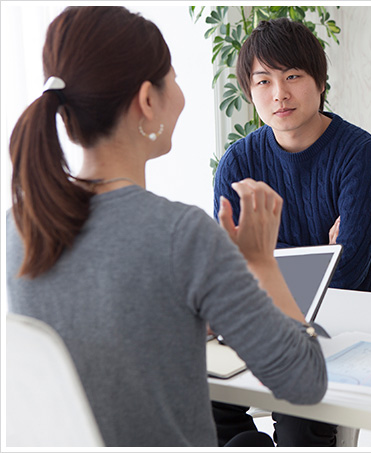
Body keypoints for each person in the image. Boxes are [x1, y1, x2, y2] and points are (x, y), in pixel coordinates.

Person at [6, 6, 327, 448]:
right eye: (173, 77)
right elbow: (305, 382)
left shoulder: (23, 225)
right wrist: (260, 262)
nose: (180, 92)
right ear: (147, 100)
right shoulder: (182, 233)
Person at [211, 18, 371, 447]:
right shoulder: (237, 164)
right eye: (264, 80)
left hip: (354, 318)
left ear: (320, 81)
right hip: (265, 322)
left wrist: (273, 257)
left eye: (293, 76)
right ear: (249, 90)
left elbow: (346, 271)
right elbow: (232, 271)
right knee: (209, 395)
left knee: (298, 419)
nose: (279, 94)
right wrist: (318, 252)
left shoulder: (363, 154)